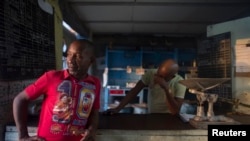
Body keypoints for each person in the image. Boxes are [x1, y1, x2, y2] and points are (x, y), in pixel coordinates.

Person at [13, 39, 101, 141]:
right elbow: (20, 99)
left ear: (91, 60)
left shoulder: (95, 83)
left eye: (78, 56)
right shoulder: (51, 77)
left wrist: (92, 129)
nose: (70, 60)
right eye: (68, 54)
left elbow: (94, 112)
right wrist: (23, 136)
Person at [104, 59, 186, 115]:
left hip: (169, 119)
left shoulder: (180, 82)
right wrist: (118, 108)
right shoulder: (151, 74)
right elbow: (134, 91)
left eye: (161, 76)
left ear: (171, 76)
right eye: (157, 73)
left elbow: (175, 111)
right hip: (152, 115)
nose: (157, 77)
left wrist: (166, 89)